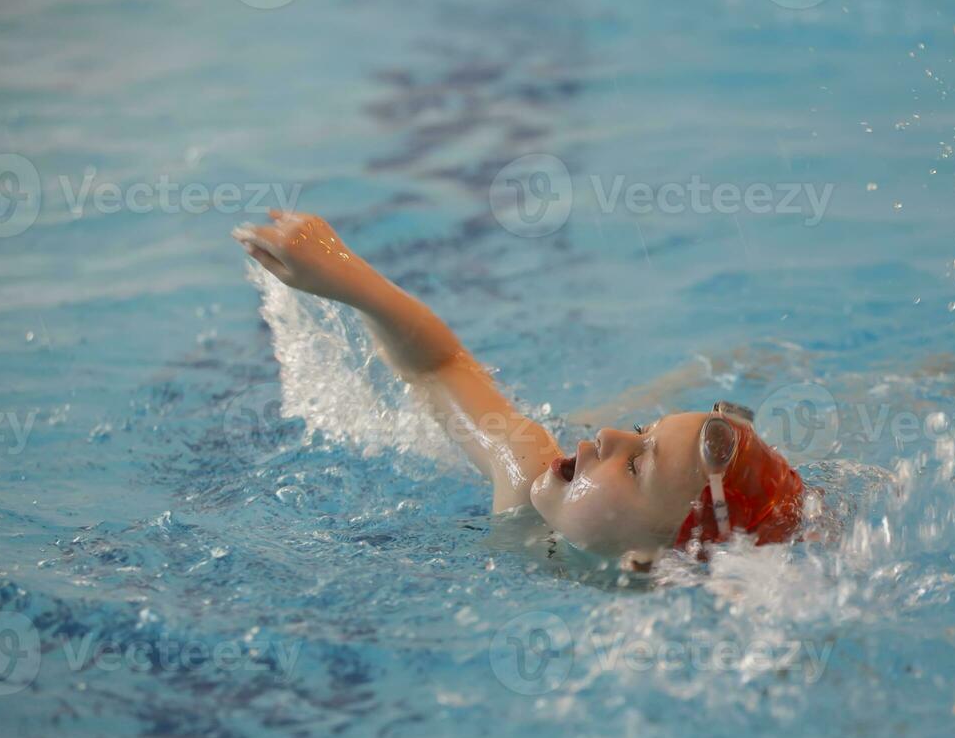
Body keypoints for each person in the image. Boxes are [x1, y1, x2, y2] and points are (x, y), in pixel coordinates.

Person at [233, 211, 807, 570]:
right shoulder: (528, 477)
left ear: (647, 561)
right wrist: (347, 276)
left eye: (636, 467)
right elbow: (440, 368)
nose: (607, 437)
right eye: (639, 433)